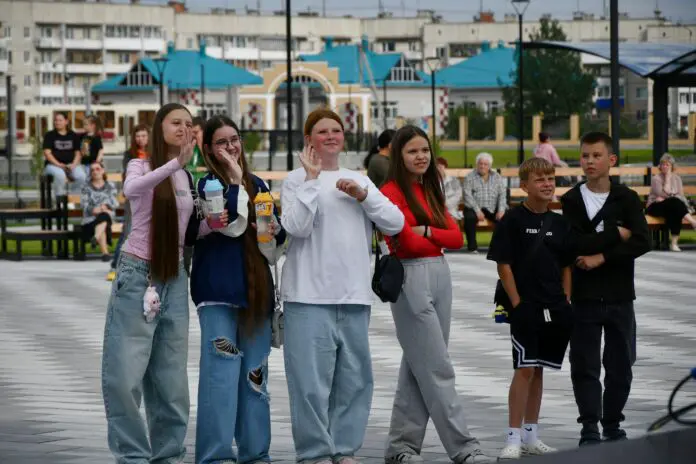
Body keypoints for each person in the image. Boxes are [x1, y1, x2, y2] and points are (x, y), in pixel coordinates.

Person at [280, 108, 404, 464]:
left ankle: (344, 448)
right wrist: (310, 181)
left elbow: (395, 222)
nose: (331, 136)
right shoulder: (294, 180)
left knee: (354, 380)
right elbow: (296, 227)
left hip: (353, 295)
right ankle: (314, 452)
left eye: (336, 130)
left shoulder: (358, 179)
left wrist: (363, 196)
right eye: (322, 131)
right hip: (307, 296)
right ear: (309, 139)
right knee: (309, 384)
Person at [380, 125, 495, 464]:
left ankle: (401, 447)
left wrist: (427, 229)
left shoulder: (430, 189)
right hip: (410, 278)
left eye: (425, 150)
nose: (421, 157)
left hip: (440, 275)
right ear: (399, 156)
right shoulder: (389, 192)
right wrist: (434, 234)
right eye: (413, 151)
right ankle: (464, 447)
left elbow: (457, 238)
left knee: (419, 365)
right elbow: (406, 243)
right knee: (437, 366)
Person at [101, 103, 200, 464]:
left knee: (171, 380)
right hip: (138, 274)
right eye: (176, 123)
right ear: (160, 128)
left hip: (174, 276)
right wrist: (175, 165)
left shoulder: (186, 177)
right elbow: (131, 190)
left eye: (188, 123)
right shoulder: (141, 166)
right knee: (125, 375)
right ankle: (132, 456)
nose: (183, 128)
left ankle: (169, 456)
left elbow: (186, 231)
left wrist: (215, 223)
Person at [191, 116, 286, 464]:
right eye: (222, 142)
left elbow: (273, 239)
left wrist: (275, 229)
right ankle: (215, 455)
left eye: (235, 139)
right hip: (218, 293)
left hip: (256, 293)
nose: (231, 147)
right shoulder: (207, 184)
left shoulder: (258, 183)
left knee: (255, 377)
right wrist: (232, 182)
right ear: (208, 149)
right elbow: (226, 222)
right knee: (220, 375)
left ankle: (255, 453)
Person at [560, 132, 650, 447]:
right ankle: (589, 426)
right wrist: (616, 233)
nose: (590, 161)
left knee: (621, 365)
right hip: (584, 297)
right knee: (584, 364)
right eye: (585, 155)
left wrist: (602, 257)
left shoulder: (627, 198)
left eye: (597, 155)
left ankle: (612, 423)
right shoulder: (571, 200)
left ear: (611, 160)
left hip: (619, 295)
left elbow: (643, 241)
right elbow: (574, 244)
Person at [487, 158, 574, 460]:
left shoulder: (560, 223)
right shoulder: (512, 221)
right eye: (540, 179)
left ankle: (531, 435)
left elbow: (566, 267)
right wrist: (517, 304)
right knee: (524, 368)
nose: (547, 184)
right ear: (524, 186)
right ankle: (512, 437)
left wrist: (566, 300)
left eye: (551, 178)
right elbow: (504, 266)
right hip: (525, 307)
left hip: (554, 306)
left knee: (538, 370)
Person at [107, 124, 150, 281]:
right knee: (129, 231)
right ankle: (115, 265)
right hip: (134, 197)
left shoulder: (154, 153)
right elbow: (128, 175)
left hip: (151, 197)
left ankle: (145, 267)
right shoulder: (129, 155)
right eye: (138, 136)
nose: (140, 139)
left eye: (143, 136)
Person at [646, 153, 696, 252]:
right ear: (660, 166)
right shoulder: (656, 178)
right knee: (675, 203)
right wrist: (667, 178)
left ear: (672, 166)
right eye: (663, 164)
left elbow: (680, 195)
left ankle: (673, 244)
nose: (664, 166)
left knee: (675, 209)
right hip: (655, 206)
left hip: (671, 206)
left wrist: (670, 196)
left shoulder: (677, 178)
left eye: (667, 165)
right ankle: (693, 223)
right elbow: (662, 193)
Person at [462, 152, 507, 252]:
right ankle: (472, 248)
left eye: (485, 164)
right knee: (469, 217)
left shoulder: (497, 177)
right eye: (480, 163)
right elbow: (467, 196)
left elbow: (502, 194)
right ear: (477, 164)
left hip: (492, 207)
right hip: (475, 208)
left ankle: (500, 247)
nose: (482, 166)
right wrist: (478, 211)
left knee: (506, 217)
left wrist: (501, 210)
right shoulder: (470, 177)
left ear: (489, 166)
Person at [42, 112, 87, 199]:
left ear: (66, 121)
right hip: (53, 165)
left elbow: (78, 153)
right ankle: (60, 200)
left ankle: (72, 198)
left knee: (82, 176)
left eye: (60, 120)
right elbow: (47, 153)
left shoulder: (73, 135)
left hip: (70, 165)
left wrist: (73, 164)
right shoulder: (49, 135)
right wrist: (59, 165)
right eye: (56, 120)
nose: (57, 122)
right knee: (60, 175)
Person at [184, 116, 208, 276]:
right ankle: (185, 270)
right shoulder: (188, 149)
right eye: (191, 132)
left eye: (197, 132)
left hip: (204, 195)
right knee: (188, 233)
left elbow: (211, 165)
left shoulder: (206, 148)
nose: (194, 135)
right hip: (189, 195)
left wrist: (201, 144)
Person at [80, 161, 119, 261]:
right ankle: (105, 253)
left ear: (102, 171)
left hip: (106, 214)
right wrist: (93, 209)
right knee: (103, 220)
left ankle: (96, 238)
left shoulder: (110, 186)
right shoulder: (86, 187)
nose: (95, 171)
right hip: (90, 218)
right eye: (92, 170)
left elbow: (115, 203)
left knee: (103, 216)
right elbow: (84, 204)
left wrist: (104, 207)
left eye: (97, 169)